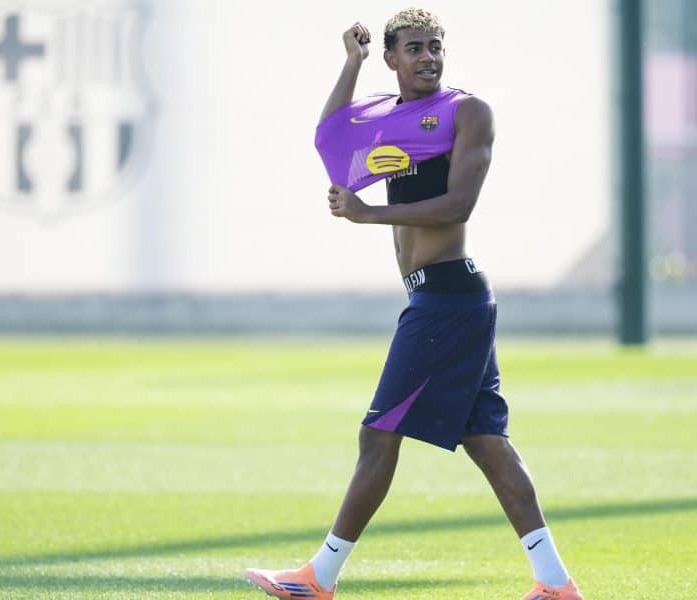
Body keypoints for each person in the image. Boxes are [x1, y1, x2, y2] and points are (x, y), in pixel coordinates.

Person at [244, 8, 583, 600]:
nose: (428, 57)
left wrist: (370, 213)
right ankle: (555, 585)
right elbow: (331, 139)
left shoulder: (467, 111)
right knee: (487, 443)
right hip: (444, 299)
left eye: (436, 47)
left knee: (379, 434)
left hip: (449, 299)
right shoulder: (386, 114)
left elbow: (457, 207)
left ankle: (318, 578)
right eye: (416, 48)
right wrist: (349, 64)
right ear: (391, 57)